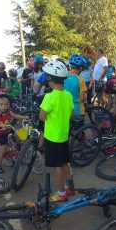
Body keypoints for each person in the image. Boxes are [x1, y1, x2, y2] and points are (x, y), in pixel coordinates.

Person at [39, 60, 74, 202]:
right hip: (64, 135)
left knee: (57, 166)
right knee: (65, 162)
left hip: (53, 137)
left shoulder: (49, 97)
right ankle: (70, 188)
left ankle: (60, 193)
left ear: (49, 79)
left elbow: (42, 117)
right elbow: (71, 115)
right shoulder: (68, 95)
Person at [0, 93, 26, 174]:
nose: (4, 106)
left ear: (8, 105)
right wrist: (0, 125)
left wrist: (25, 117)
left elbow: (16, 116)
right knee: (2, 150)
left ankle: (15, 153)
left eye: (6, 104)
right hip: (1, 133)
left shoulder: (8, 112)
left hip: (9, 130)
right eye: (1, 104)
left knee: (20, 136)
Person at [64, 54, 87, 125]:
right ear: (80, 68)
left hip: (65, 109)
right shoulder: (81, 80)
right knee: (79, 133)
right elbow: (82, 98)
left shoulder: (64, 77)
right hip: (78, 111)